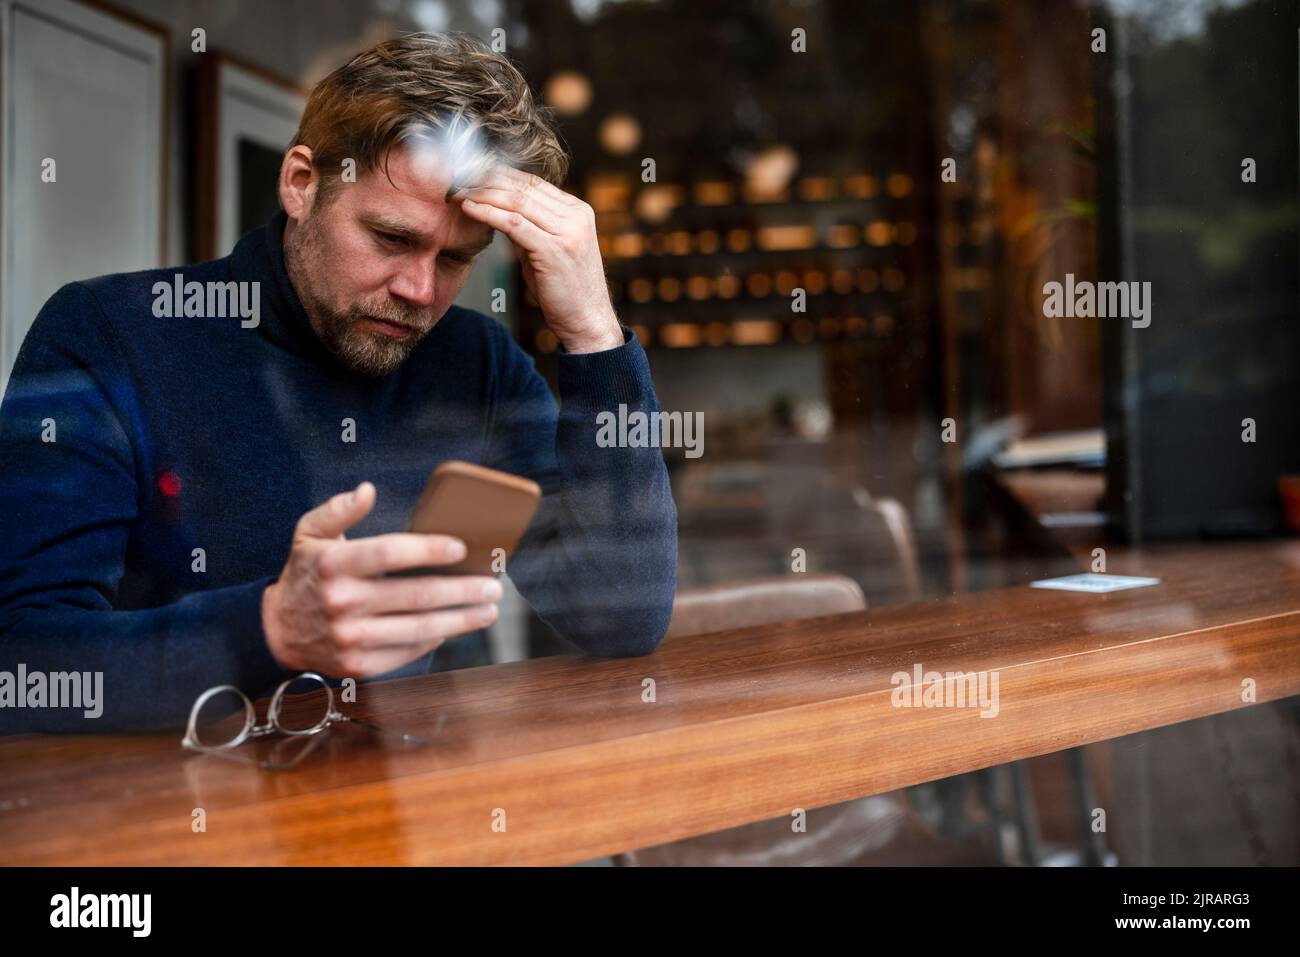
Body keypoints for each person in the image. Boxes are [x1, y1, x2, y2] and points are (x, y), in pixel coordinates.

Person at [0, 32, 677, 733]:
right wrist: (267, 630)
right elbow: (22, 668)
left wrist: (595, 336)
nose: (419, 290)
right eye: (391, 238)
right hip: (170, 818)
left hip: (402, 812)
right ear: (301, 184)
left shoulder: (478, 363)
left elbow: (620, 614)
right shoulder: (107, 335)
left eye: (456, 259)